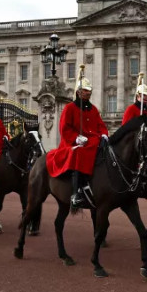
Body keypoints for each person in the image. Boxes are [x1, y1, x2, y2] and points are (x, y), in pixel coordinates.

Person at [46, 66, 109, 208]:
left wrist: (104, 134)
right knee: (79, 152)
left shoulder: (92, 109)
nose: (88, 93)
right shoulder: (70, 108)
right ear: (78, 92)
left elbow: (100, 125)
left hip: (92, 141)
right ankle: (76, 193)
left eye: (89, 91)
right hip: (72, 143)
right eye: (86, 91)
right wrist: (76, 138)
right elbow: (64, 128)